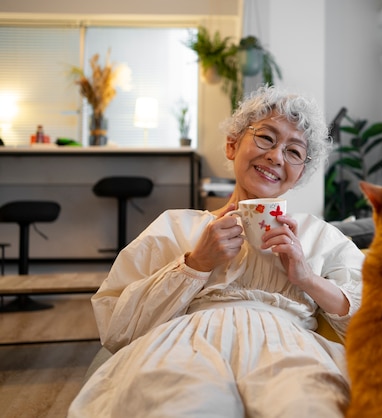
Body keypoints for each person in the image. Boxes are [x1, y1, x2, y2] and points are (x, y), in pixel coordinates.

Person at [68, 85, 364, 417]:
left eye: (294, 152)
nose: (276, 156)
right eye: (266, 138)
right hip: (186, 345)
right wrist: (195, 265)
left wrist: (307, 278)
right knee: (181, 405)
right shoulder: (176, 226)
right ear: (232, 145)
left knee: (306, 407)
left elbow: (371, 322)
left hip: (291, 347)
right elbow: (117, 327)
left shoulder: (319, 235)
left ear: (298, 176)